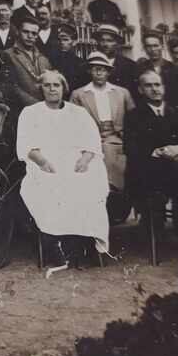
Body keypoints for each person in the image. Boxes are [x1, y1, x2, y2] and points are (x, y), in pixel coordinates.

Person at [17, 70, 112, 270]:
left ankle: (84, 244)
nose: (52, 89)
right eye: (47, 85)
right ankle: (56, 244)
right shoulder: (30, 113)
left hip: (77, 160)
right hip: (45, 161)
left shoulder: (78, 112)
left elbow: (92, 143)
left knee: (87, 183)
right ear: (40, 88)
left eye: (56, 85)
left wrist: (85, 160)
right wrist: (42, 161)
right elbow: (26, 145)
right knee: (52, 185)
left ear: (64, 88)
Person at [123, 69, 178, 271]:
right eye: (149, 85)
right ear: (140, 89)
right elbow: (130, 148)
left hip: (177, 171)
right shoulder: (133, 116)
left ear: (163, 87)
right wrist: (159, 151)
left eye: (157, 85)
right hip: (148, 172)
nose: (154, 89)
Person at [71, 52, 135, 224]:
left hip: (117, 137)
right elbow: (73, 122)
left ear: (109, 72)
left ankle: (117, 202)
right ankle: (100, 204)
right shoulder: (79, 94)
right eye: (95, 69)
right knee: (98, 156)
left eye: (103, 70)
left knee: (117, 155)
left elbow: (134, 119)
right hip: (91, 139)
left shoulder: (122, 93)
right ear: (89, 72)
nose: (99, 73)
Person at [1, 18, 52, 108]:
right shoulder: (7, 54)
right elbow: (12, 86)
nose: (30, 36)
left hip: (44, 108)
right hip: (20, 109)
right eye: (25, 32)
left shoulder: (43, 58)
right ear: (18, 32)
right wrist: (35, 105)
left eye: (34, 33)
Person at [135, 32, 178, 109]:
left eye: (155, 45)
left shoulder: (177, 70)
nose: (152, 49)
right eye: (148, 46)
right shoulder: (138, 69)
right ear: (144, 48)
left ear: (162, 46)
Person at [92, 23, 139, 103]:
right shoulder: (89, 64)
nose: (105, 44)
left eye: (110, 41)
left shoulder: (130, 66)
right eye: (102, 40)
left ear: (117, 43)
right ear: (97, 42)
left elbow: (134, 96)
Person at [47, 21, 88, 91]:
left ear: (74, 42)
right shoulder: (52, 61)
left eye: (66, 40)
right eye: (59, 40)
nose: (62, 43)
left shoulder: (81, 64)